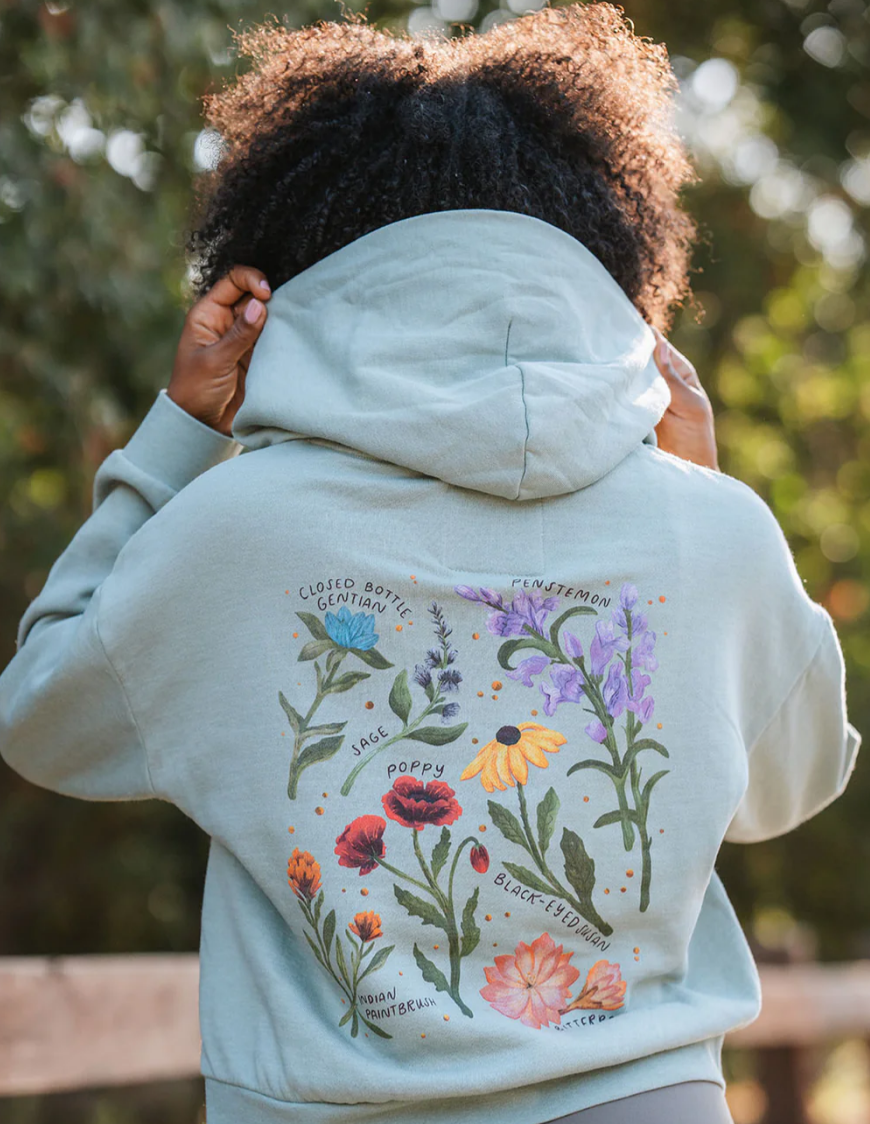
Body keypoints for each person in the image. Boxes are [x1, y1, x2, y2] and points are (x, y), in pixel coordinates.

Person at [0, 6, 861, 1124]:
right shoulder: (715, 528)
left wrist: (176, 435)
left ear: (297, 258)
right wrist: (708, 501)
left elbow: (43, 713)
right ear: (610, 257)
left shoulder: (234, 526)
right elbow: (793, 781)